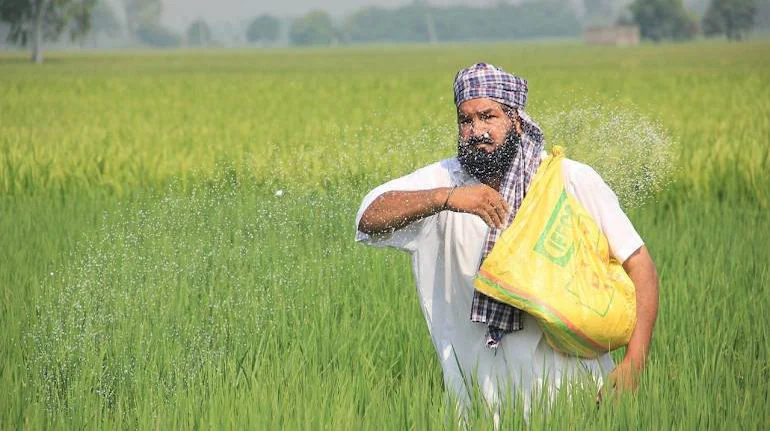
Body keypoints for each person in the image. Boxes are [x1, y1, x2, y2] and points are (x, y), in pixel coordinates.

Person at [354, 63, 659, 420]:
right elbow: (368, 216)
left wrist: (635, 362)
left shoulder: (566, 180)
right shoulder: (446, 180)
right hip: (481, 406)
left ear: (515, 120)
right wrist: (448, 198)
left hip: (574, 397)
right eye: (465, 120)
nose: (476, 131)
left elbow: (640, 265)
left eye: (488, 116)